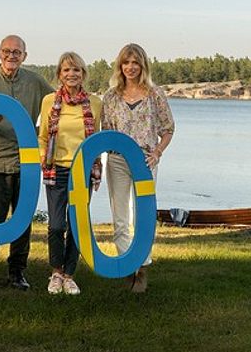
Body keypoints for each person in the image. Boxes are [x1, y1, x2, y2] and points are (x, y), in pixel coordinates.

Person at [0, 35, 53, 292]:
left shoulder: (35, 81)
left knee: (22, 220)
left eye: (17, 52)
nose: (11, 56)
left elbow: (57, 107)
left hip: (26, 162)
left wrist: (41, 131)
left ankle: (17, 271)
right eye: (7, 51)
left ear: (25, 56)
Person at [102, 43, 174, 293]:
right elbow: (106, 131)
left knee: (142, 215)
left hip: (145, 161)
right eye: (126, 62)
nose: (130, 67)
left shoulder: (155, 94)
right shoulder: (111, 96)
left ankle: (142, 267)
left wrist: (157, 152)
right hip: (117, 161)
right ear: (120, 66)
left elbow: (168, 129)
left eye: (135, 62)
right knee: (120, 214)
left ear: (142, 65)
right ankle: (126, 265)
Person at [38, 52, 102, 295]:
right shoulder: (49, 101)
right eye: (66, 70)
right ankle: (55, 272)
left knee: (76, 224)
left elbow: (97, 138)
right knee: (56, 225)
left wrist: (95, 167)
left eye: (76, 70)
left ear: (83, 74)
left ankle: (69, 274)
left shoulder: (95, 103)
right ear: (59, 74)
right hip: (57, 169)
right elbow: (42, 136)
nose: (71, 74)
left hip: (82, 171)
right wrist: (43, 157)